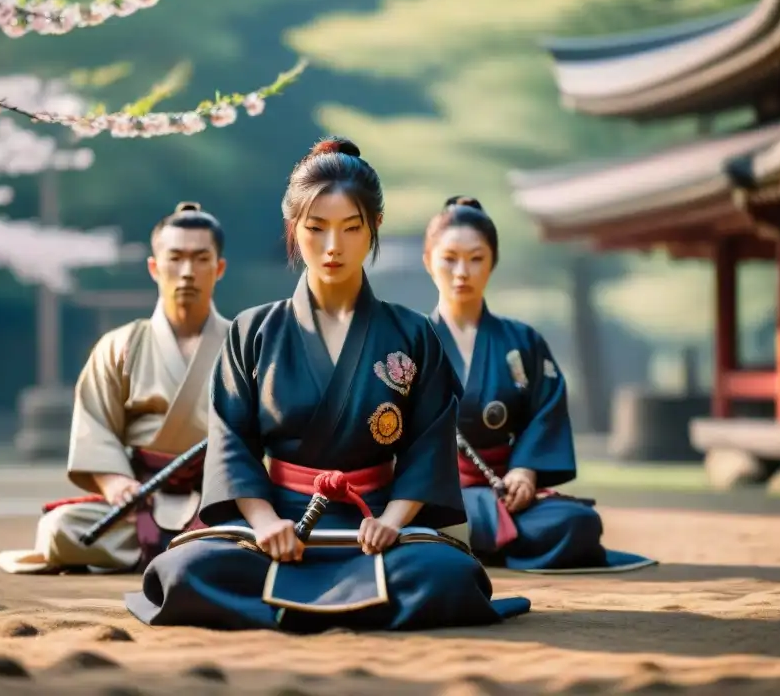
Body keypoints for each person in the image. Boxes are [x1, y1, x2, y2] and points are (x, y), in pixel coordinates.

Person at [124, 138, 532, 632]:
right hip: (277, 524)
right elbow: (232, 443)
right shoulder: (253, 331)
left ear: (373, 228)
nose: (333, 247)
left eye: (350, 228)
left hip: (374, 524)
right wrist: (264, 522)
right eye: (316, 229)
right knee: (183, 571)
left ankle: (285, 605)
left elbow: (428, 448)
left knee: (448, 574)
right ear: (294, 228)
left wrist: (393, 521)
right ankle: (366, 605)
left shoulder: (412, 333)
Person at [0, 203, 232, 575]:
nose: (187, 272)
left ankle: (197, 545)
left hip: (218, 496)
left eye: (201, 259)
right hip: (140, 498)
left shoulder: (243, 344)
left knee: (265, 524)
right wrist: (114, 480)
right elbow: (96, 425)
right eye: (176, 258)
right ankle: (197, 551)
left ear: (219, 268)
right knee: (60, 529)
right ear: (155, 267)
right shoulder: (120, 345)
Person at [423, 196, 656, 573]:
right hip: (434, 491)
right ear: (428, 261)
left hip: (504, 489)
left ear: (492, 263)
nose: (462, 271)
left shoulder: (522, 341)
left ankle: (467, 539)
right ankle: (479, 536)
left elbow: (544, 412)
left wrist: (525, 472)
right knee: (414, 513)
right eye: (449, 258)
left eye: (476, 258)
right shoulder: (409, 341)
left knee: (576, 523)